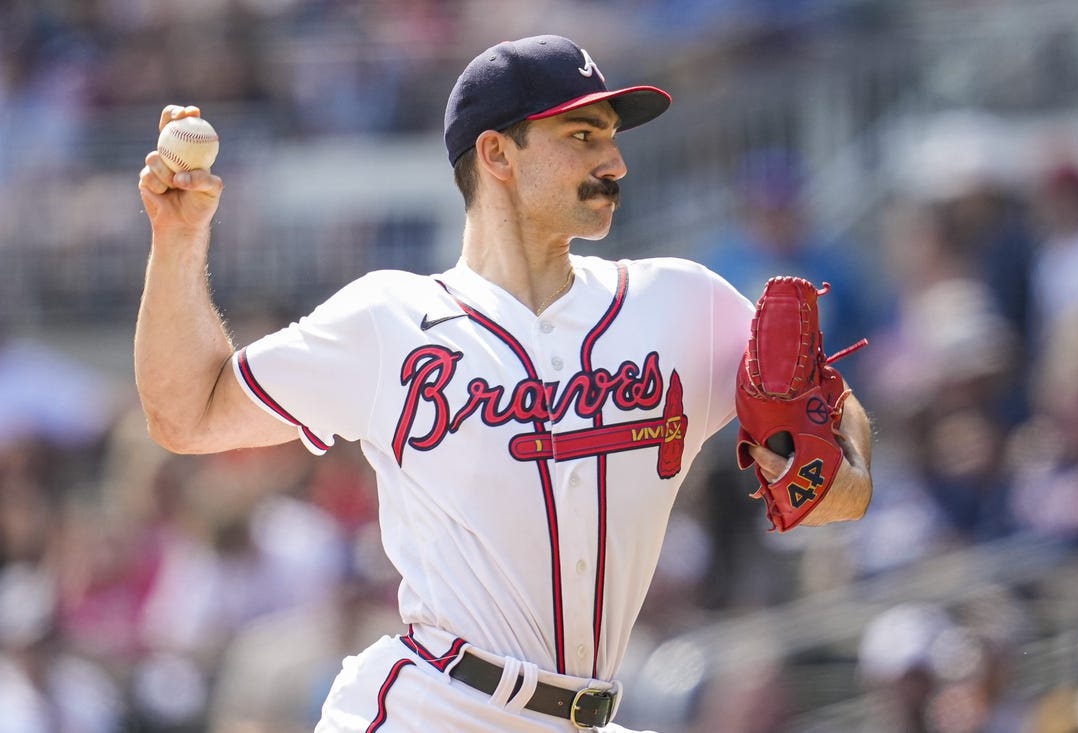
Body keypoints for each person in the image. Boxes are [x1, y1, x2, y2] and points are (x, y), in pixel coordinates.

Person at [135, 34, 873, 733]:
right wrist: (179, 240)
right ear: (496, 154)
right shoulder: (389, 321)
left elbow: (838, 422)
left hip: (586, 712)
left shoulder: (684, 304)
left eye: (612, 137)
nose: (615, 162)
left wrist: (841, 472)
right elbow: (187, 414)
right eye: (582, 135)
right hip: (435, 708)